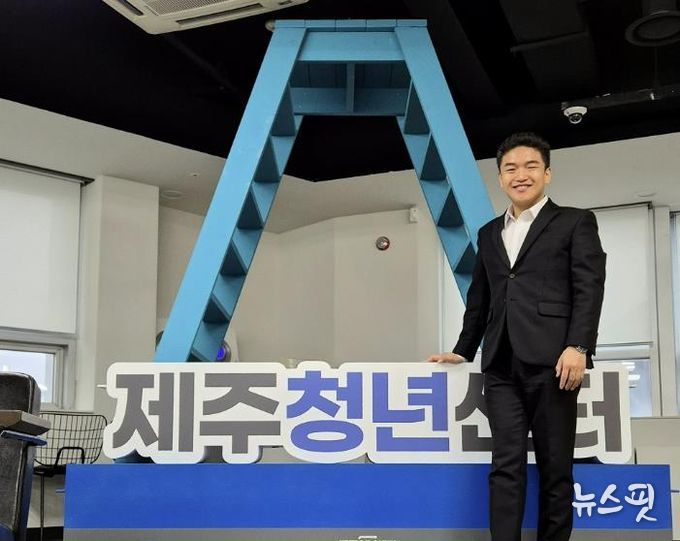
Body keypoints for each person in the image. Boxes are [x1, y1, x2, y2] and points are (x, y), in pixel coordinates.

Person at [428, 132, 606, 541]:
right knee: (504, 466)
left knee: (555, 468)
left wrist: (578, 345)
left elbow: (589, 287)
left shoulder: (575, 221)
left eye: (530, 166)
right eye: (510, 168)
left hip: (555, 363)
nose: (520, 175)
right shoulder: (489, 233)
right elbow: (481, 298)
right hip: (501, 366)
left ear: (547, 173)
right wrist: (462, 350)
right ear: (500, 177)